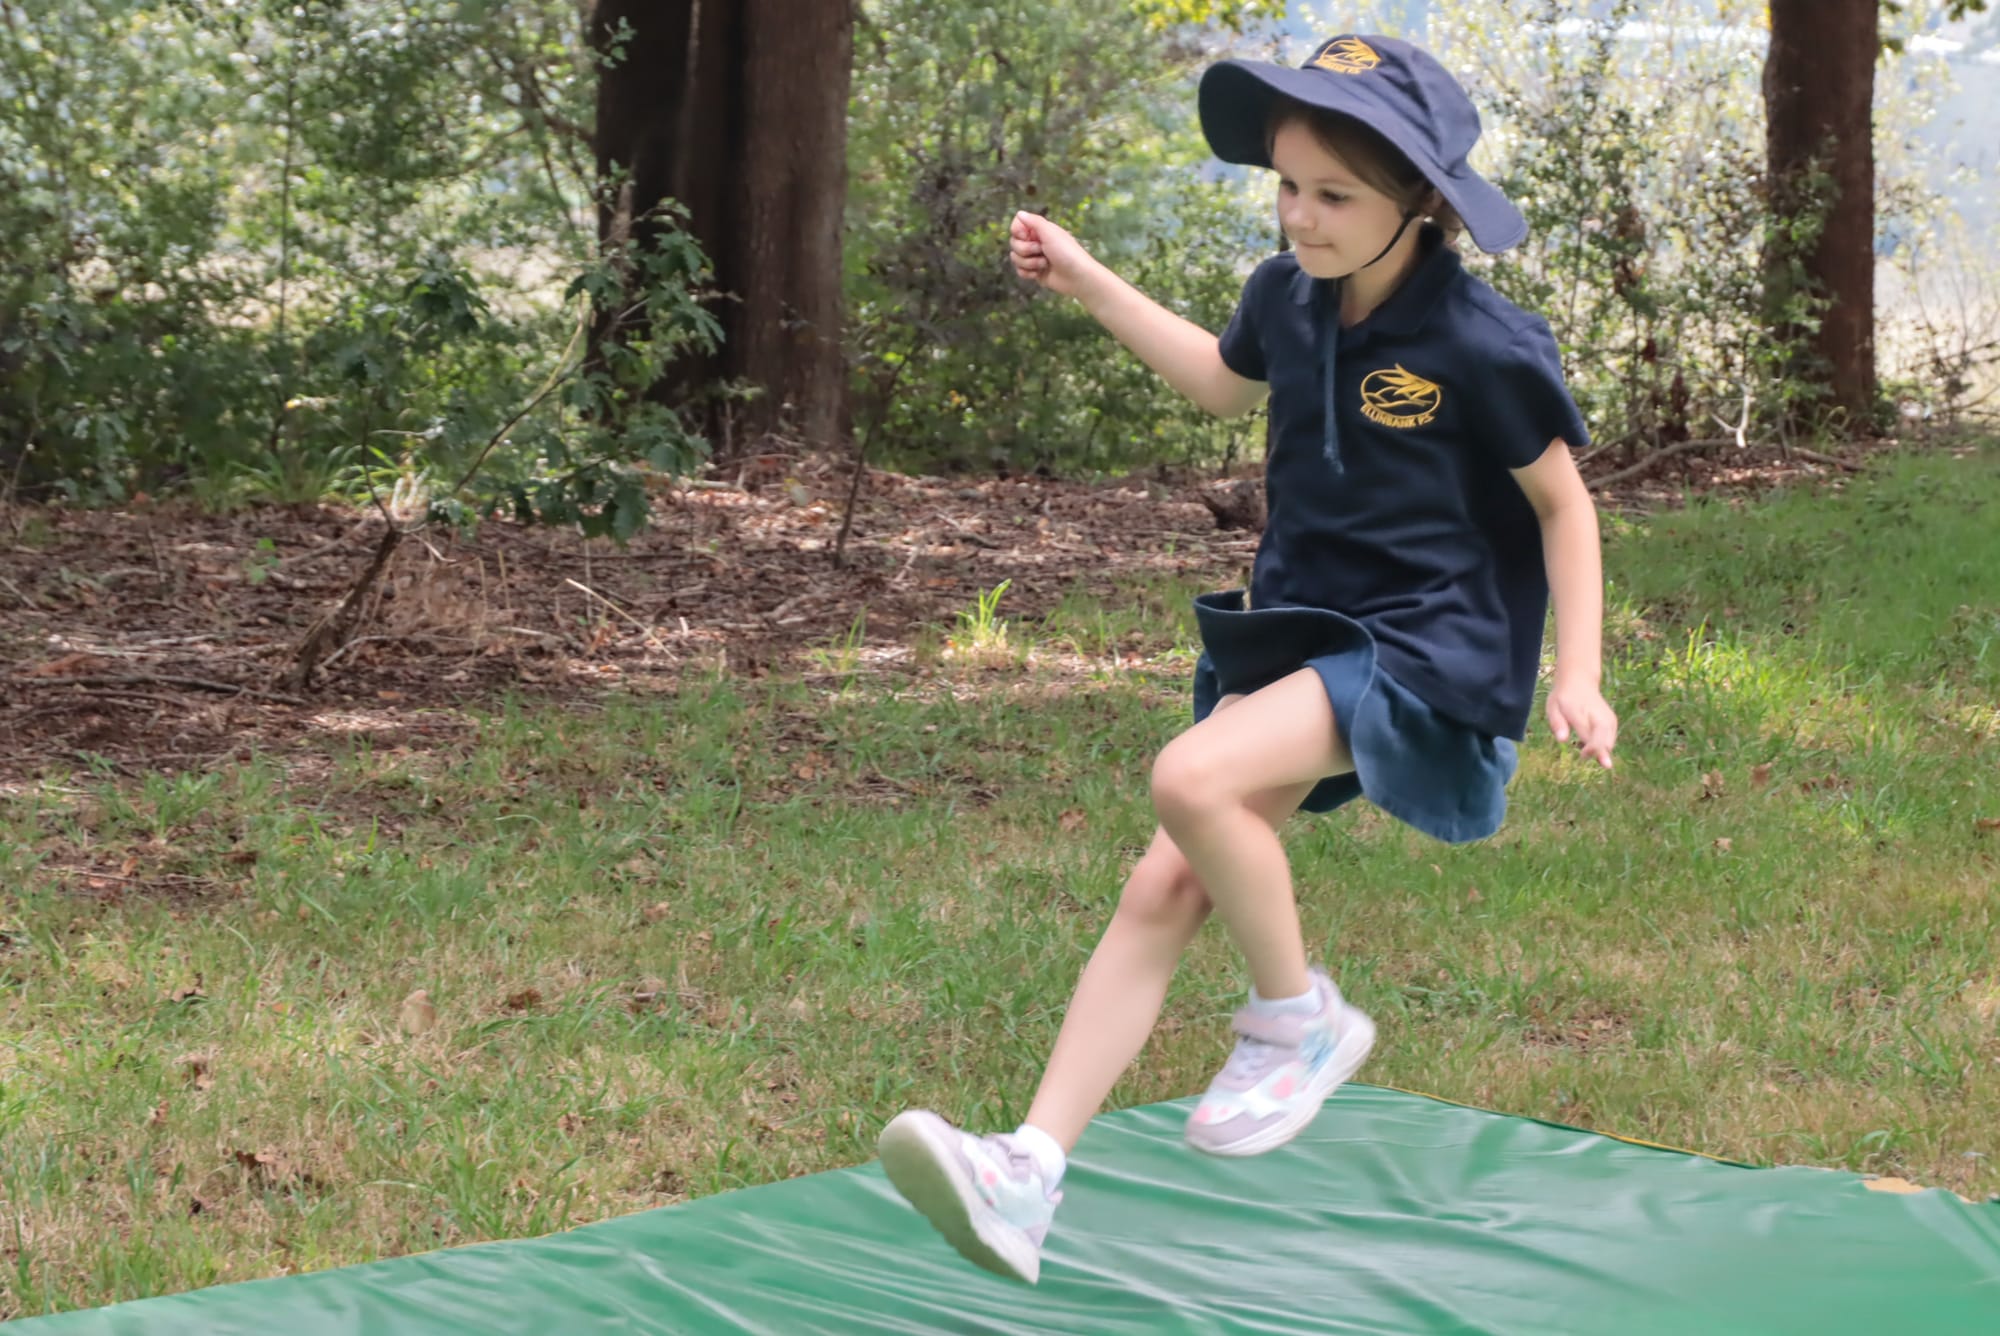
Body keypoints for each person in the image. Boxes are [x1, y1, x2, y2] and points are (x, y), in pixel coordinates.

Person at [877, 32, 1619, 1286]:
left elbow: (1564, 506)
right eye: (1286, 186)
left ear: (1418, 203)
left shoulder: (1481, 344)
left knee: (1191, 776)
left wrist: (1576, 673)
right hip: (1305, 628)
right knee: (1164, 883)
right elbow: (1222, 387)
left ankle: (1297, 1019)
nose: (1301, 216)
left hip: (1426, 643)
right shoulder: (1286, 294)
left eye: (1334, 195)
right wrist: (1085, 279)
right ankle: (1027, 1172)